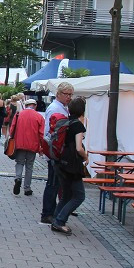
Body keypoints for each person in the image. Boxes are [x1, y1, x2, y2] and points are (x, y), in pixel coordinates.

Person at [50, 96, 88, 235]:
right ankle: (60, 221)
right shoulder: (77, 125)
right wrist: (85, 157)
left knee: (66, 194)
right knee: (79, 196)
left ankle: (56, 219)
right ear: (82, 111)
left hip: (61, 162)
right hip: (72, 165)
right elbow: (79, 147)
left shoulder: (66, 122)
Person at [40, 82, 74, 224]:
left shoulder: (62, 108)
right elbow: (50, 132)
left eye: (71, 94)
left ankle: (51, 212)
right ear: (58, 94)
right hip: (56, 152)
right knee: (53, 183)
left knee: (55, 183)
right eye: (66, 94)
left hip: (57, 152)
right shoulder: (55, 109)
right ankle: (48, 213)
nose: (69, 97)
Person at [10, 99, 43, 197]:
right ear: (35, 106)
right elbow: (41, 134)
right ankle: (27, 188)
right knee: (29, 166)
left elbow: (12, 128)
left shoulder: (19, 114)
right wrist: (41, 147)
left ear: (26, 105)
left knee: (19, 162)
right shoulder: (39, 116)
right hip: (33, 144)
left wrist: (11, 138)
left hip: (20, 143)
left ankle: (18, 178)